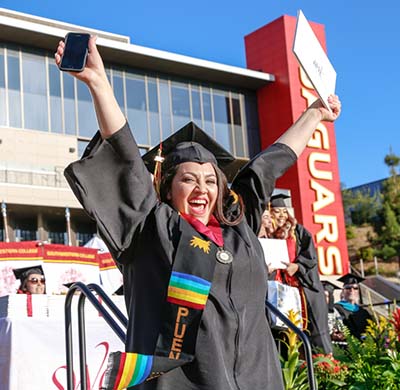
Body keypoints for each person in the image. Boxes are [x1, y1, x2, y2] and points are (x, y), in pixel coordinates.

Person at [55, 35, 341, 390]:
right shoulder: (151, 231)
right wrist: (98, 82)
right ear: (167, 186)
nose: (202, 189)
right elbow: (127, 158)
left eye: (210, 181)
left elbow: (265, 168)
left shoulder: (240, 231)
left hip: (258, 380)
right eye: (189, 180)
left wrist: (314, 113)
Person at [268, 193, 333, 354]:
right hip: (277, 289)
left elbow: (311, 257)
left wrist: (297, 267)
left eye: (284, 211)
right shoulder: (266, 233)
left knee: (313, 327)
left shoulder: (297, 232)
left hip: (301, 287)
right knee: (281, 333)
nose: (282, 215)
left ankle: (322, 368)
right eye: (277, 212)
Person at [334, 273, 372, 339]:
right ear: (343, 291)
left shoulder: (363, 312)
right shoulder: (336, 308)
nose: (352, 290)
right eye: (348, 288)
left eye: (355, 288)